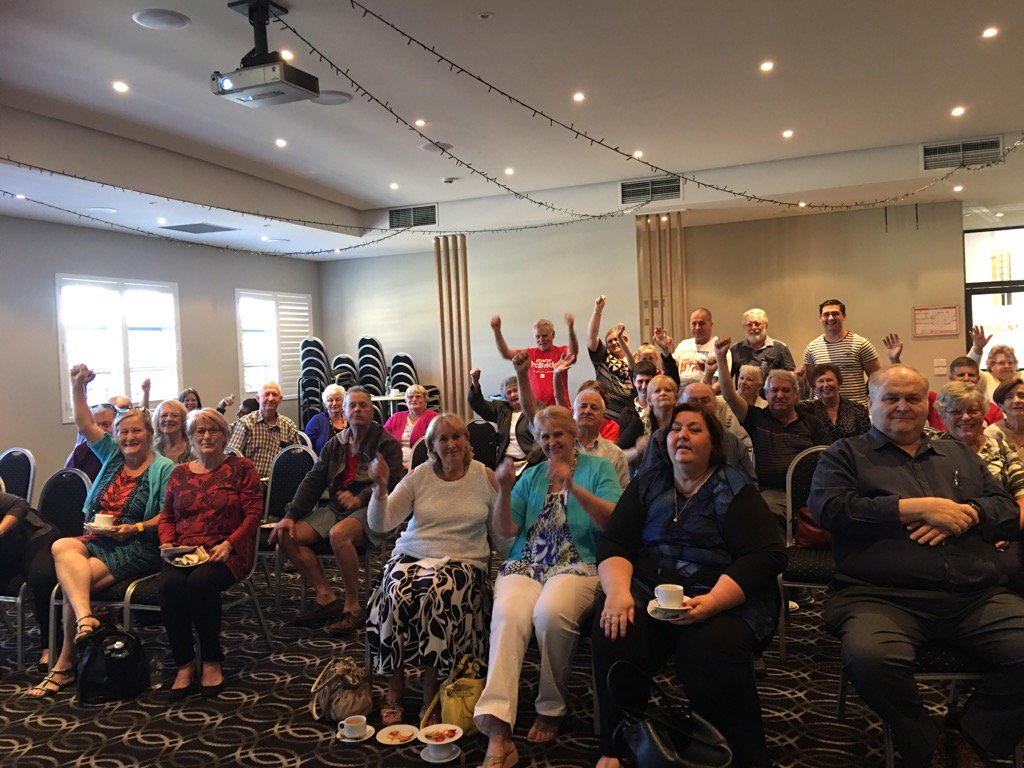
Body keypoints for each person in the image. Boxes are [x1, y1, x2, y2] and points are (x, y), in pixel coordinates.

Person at [808, 366, 1024, 768]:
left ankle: (974, 737)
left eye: (912, 399)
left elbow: (1007, 510)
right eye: (891, 398)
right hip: (881, 597)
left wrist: (967, 513)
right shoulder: (846, 455)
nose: (902, 407)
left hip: (975, 594)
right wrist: (915, 508)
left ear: (927, 407)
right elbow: (830, 509)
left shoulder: (958, 453)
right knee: (872, 660)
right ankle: (923, 742)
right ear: (870, 403)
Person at [592, 403, 786, 768]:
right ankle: (616, 743)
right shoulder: (648, 483)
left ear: (714, 442)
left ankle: (735, 752)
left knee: (712, 646)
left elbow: (767, 554)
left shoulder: (734, 487)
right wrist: (617, 594)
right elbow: (615, 542)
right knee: (615, 629)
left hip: (723, 596)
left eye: (694, 429)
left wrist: (712, 602)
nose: (682, 434)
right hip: (652, 592)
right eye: (676, 428)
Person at [474, 406, 622, 767]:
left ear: (572, 435)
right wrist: (505, 491)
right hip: (526, 563)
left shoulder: (598, 469)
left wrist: (572, 485)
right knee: (507, 615)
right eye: (545, 436)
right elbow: (507, 531)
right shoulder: (533, 474)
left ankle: (551, 706)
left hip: (578, 564)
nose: (552, 441)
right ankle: (498, 726)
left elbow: (612, 522)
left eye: (558, 434)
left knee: (550, 614)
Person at [29, 364, 173, 698]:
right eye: (123, 432)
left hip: (139, 545)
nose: (129, 438)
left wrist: (134, 526)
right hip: (98, 539)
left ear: (150, 435)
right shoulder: (111, 454)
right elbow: (84, 422)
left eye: (136, 432)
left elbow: (167, 516)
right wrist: (77, 385)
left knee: (70, 581)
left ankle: (64, 664)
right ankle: (85, 620)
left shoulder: (165, 468)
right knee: (62, 547)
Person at [366, 413, 497, 725]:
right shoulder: (420, 475)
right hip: (413, 555)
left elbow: (502, 538)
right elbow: (381, 523)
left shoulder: (484, 476)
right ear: (432, 446)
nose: (451, 444)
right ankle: (394, 690)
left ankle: (430, 693)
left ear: (467, 442)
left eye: (457, 437)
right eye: (443, 439)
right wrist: (380, 489)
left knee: (437, 592)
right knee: (395, 587)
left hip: (463, 561)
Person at [271, 387, 405, 634]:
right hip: (335, 508)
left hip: (373, 508)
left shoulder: (386, 443)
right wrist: (290, 515)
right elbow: (313, 481)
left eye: (363, 405)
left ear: (372, 410)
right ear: (343, 412)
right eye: (352, 405)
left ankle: (353, 607)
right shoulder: (336, 444)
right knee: (286, 534)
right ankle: (326, 598)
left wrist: (361, 497)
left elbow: (395, 483)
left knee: (338, 534)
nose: (357, 409)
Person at [157, 408, 262, 699]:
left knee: (200, 583)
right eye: (199, 432)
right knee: (169, 586)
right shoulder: (179, 473)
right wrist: (167, 543)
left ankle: (212, 660)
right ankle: (185, 663)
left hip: (226, 550)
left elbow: (253, 515)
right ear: (190, 438)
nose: (206, 436)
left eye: (213, 430)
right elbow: (166, 516)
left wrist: (230, 544)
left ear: (225, 434)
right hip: (184, 550)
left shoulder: (241, 468)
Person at [715, 337, 830, 520]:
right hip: (773, 493)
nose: (779, 395)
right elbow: (729, 395)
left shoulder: (811, 422)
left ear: (795, 395)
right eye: (774, 390)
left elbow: (827, 456)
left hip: (811, 492)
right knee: (767, 510)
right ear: (766, 394)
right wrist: (721, 358)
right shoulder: (756, 418)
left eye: (786, 390)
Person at [516, 353, 630, 489]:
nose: (587, 411)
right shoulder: (559, 443)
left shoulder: (615, 455)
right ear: (573, 412)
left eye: (594, 407)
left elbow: (621, 498)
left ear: (603, 414)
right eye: (583, 406)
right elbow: (531, 411)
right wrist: (522, 375)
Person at [932, 382, 1024, 524]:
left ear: (983, 414)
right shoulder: (932, 448)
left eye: (973, 410)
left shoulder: (999, 446)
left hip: (1002, 527)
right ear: (943, 416)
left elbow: (1022, 492)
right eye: (956, 412)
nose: (966, 417)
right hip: (949, 530)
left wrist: (1008, 528)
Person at [882, 334, 1003, 430]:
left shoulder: (991, 409)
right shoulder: (936, 401)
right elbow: (908, 386)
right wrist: (895, 360)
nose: (966, 378)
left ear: (977, 379)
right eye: (961, 375)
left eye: (971, 375)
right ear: (952, 378)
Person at [0, 492, 59, 669]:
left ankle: (51, 645)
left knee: (41, 577)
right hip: (8, 552)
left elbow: (20, 505)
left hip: (35, 536)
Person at [802, 299, 880, 405]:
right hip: (821, 411)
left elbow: (876, 379)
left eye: (835, 314)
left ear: (844, 317)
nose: (830, 318)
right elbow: (812, 383)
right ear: (820, 318)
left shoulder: (861, 344)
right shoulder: (811, 348)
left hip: (856, 410)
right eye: (826, 314)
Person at [490, 314, 579, 406]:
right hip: (535, 410)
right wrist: (497, 331)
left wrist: (571, 329)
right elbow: (506, 353)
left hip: (559, 408)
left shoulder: (561, 352)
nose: (541, 340)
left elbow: (572, 353)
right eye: (538, 337)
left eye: (544, 336)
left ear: (553, 335)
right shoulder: (529, 354)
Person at [680, 383, 756, 484]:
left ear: (715, 405)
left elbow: (750, 481)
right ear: (680, 405)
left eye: (705, 401)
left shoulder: (731, 441)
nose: (699, 405)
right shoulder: (663, 438)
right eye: (692, 401)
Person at [468, 367, 542, 469]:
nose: (513, 395)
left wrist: (529, 461)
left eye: (516, 390)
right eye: (508, 392)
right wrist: (475, 382)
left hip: (530, 463)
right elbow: (478, 404)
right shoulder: (502, 409)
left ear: (523, 390)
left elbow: (541, 439)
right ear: (505, 397)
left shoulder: (536, 408)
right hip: (505, 464)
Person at [226, 380, 299, 478]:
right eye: (267, 394)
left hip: (279, 483)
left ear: (280, 399)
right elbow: (232, 456)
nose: (271, 398)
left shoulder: (289, 425)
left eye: (275, 395)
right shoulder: (245, 423)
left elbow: (298, 459)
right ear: (258, 398)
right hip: (249, 483)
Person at [585, 295, 635, 422]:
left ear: (627, 341)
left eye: (618, 339)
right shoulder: (604, 358)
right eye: (610, 341)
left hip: (628, 419)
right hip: (605, 419)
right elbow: (592, 337)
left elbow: (635, 371)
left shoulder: (636, 359)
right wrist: (597, 311)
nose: (614, 342)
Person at [800, 363, 871, 441]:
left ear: (839, 382)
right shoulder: (808, 410)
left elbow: (866, 440)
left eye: (829, 380)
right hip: (819, 453)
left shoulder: (857, 408)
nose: (825, 385)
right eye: (821, 381)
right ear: (815, 386)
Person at [729, 308, 796, 382]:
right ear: (744, 327)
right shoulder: (735, 349)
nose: (753, 328)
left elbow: (791, 378)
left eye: (757, 324)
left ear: (765, 325)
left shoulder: (780, 348)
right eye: (749, 325)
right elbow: (725, 378)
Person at [672, 308, 730, 387]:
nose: (697, 327)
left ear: (711, 325)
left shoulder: (719, 347)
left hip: (706, 393)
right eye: (694, 323)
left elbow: (720, 382)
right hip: (681, 394)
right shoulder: (684, 344)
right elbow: (671, 372)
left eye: (701, 323)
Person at [383, 384, 438, 466]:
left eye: (418, 396)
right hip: (395, 461)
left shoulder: (433, 418)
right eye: (410, 397)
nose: (414, 399)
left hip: (421, 463)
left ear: (425, 399)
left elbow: (434, 446)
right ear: (406, 400)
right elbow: (383, 436)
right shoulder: (396, 417)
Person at [967, 326, 1022, 403]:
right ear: (991, 366)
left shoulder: (1021, 376)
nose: (1007, 366)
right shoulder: (985, 378)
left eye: (1010, 362)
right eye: (1001, 363)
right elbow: (968, 368)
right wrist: (977, 348)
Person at [66, 402, 116, 481]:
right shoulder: (81, 451)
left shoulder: (126, 451)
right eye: (95, 426)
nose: (100, 429)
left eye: (106, 424)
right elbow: (68, 484)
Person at [615, 361, 657, 453]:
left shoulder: (661, 407)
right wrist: (638, 449)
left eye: (648, 382)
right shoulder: (626, 413)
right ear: (634, 382)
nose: (644, 386)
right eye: (640, 381)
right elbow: (621, 452)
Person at [987, 377, 1024, 463]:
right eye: (1009, 397)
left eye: (1022, 395)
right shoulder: (993, 433)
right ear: (1000, 405)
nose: (1017, 400)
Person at [304, 384, 348, 455]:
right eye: (330, 400)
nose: (334, 403)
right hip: (326, 463)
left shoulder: (350, 419)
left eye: (337, 400)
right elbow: (308, 449)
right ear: (325, 403)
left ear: (343, 401)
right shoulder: (316, 421)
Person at [153, 399, 195, 465]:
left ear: (183, 420)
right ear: (157, 421)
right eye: (164, 415)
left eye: (174, 415)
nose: (168, 419)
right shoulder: (152, 448)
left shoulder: (194, 446)